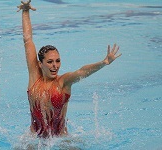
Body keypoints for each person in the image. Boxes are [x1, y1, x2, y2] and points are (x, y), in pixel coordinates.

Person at [17, 1, 121, 138]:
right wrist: (25, 11)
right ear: (40, 64)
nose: (55, 65)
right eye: (50, 62)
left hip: (60, 140)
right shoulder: (34, 76)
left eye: (57, 61)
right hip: (33, 138)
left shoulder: (63, 82)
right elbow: (27, 40)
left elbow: (82, 72)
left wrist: (104, 62)